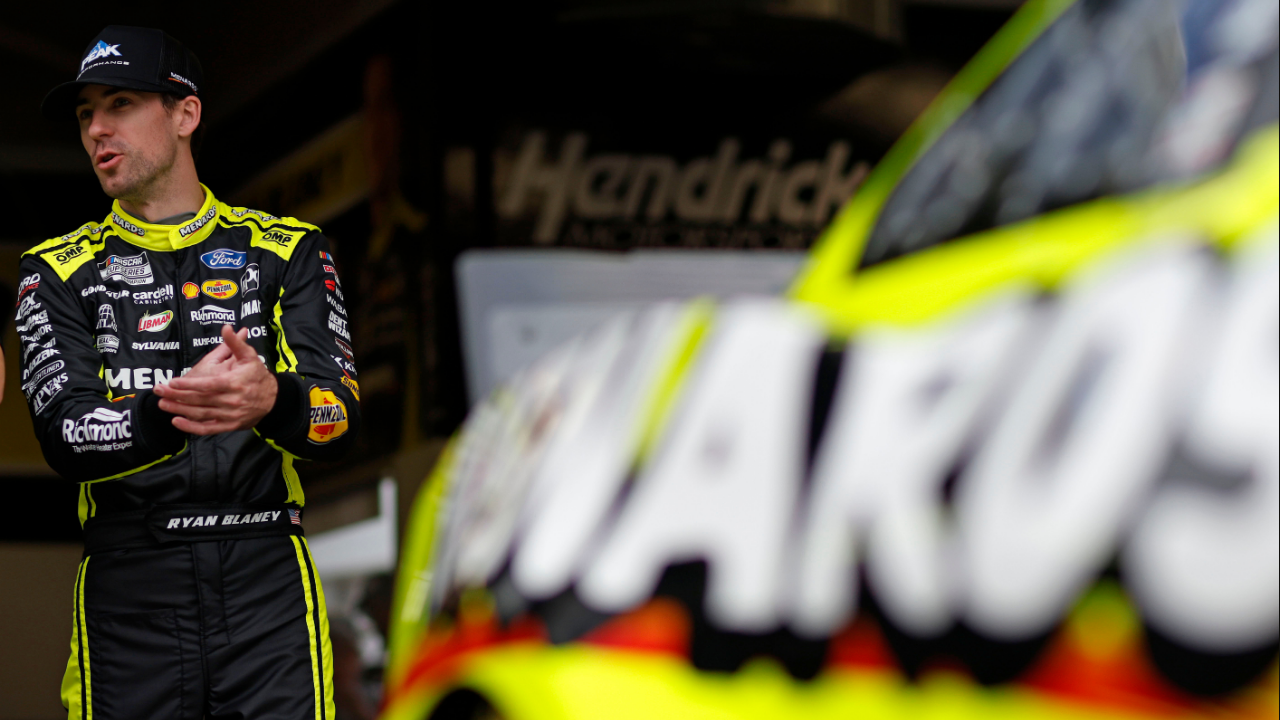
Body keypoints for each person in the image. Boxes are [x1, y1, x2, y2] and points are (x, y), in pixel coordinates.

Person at [17, 26, 361, 719]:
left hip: (267, 575)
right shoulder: (55, 269)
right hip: (131, 584)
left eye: (119, 103)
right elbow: (63, 437)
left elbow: (338, 414)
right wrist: (169, 410)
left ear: (185, 113)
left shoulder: (287, 249)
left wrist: (273, 399)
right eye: (86, 113)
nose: (97, 129)